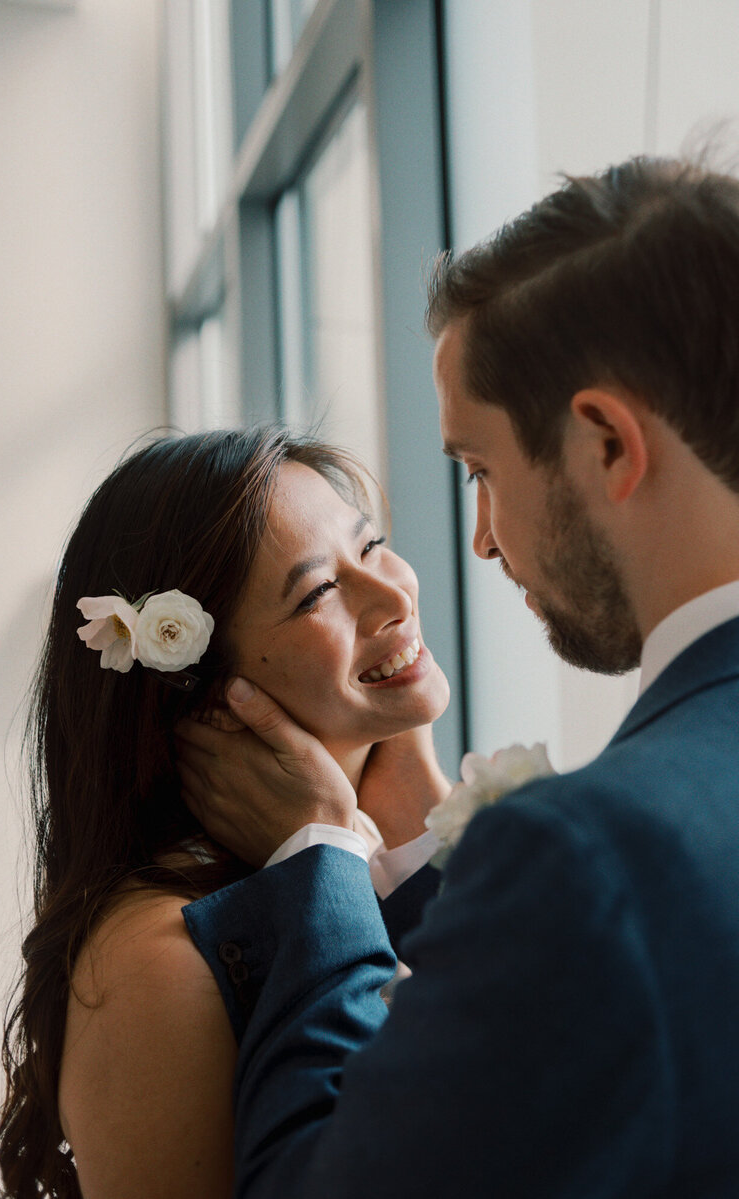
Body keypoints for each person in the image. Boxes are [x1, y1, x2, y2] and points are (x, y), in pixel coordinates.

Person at [177, 155, 739, 1197]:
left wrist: (317, 862)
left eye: (478, 469)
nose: (478, 541)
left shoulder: (586, 852)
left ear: (606, 442)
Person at [0, 426, 450, 1199]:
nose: (395, 595)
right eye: (320, 592)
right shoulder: (159, 955)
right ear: (204, 689)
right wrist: (324, 844)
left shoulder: (393, 846)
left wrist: (416, 810)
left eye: (372, 546)